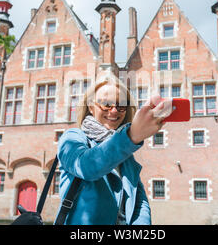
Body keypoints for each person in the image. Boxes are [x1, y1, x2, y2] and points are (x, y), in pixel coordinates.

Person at [55, 75, 172, 225]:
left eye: (121, 105)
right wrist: (131, 136)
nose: (114, 111)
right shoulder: (73, 137)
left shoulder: (126, 156)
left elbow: (139, 203)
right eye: (106, 104)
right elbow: (87, 166)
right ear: (91, 107)